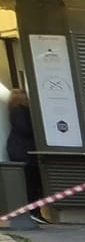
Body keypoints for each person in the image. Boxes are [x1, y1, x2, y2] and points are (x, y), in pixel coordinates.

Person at [6, 89, 46, 227]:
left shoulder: (14, 111)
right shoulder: (21, 111)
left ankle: (34, 211)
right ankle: (34, 212)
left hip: (20, 150)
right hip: (25, 151)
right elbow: (25, 129)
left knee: (31, 182)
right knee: (32, 182)